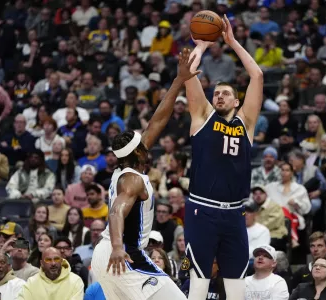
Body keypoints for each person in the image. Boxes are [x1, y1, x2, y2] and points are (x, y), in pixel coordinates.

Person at [91, 49, 200, 299]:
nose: (147, 140)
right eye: (143, 143)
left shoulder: (128, 164)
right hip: (122, 254)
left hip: (108, 254)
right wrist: (118, 248)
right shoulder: (132, 179)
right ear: (139, 152)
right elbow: (117, 209)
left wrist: (179, 80)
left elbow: (157, 121)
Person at [183, 15, 263, 300]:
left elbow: (257, 76)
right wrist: (202, 47)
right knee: (199, 283)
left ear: (237, 101)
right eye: (216, 93)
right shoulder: (202, 117)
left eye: (225, 93)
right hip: (201, 210)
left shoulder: (246, 124)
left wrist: (232, 42)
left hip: (234, 213)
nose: (219, 96)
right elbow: (188, 75)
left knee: (236, 285)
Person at [18, 247, 84, 299]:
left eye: (56, 259)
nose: (53, 263)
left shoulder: (75, 281)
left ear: (61, 261)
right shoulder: (31, 283)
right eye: (48, 260)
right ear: (42, 263)